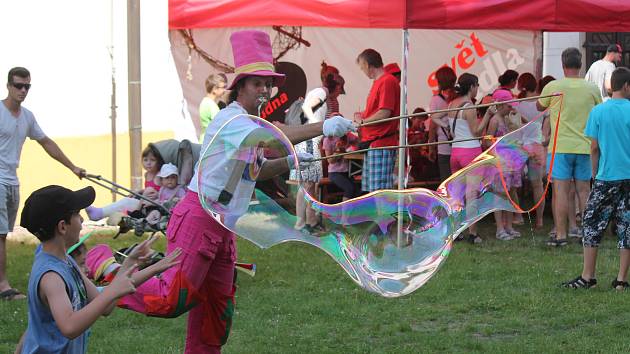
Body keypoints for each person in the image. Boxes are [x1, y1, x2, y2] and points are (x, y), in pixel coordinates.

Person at [114, 30, 355, 354]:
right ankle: (106, 273)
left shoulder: (250, 125)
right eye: (257, 84)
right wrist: (322, 127)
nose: (265, 91)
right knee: (173, 299)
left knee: (216, 316)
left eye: (267, 84)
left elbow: (255, 171)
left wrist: (292, 160)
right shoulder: (232, 121)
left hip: (223, 226)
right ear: (239, 87)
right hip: (199, 219)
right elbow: (273, 137)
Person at [15, 185, 181, 353]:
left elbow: (105, 305)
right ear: (63, 227)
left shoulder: (66, 261)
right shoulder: (51, 277)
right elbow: (70, 326)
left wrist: (130, 265)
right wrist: (113, 291)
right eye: (77, 214)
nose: (81, 220)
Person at [0, 67, 86, 301]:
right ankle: (3, 286)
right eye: (18, 85)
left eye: (27, 86)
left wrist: (73, 167)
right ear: (8, 86)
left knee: (3, 233)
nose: (23, 90)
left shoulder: (27, 116)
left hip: (11, 180)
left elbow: (46, 142)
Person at [562, 67, 630, 289]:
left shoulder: (599, 111)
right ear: (627, 86)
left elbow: (593, 148)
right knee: (626, 226)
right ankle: (621, 280)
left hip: (606, 176)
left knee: (591, 222)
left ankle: (588, 276)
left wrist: (594, 174)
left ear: (612, 87)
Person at [538, 48, 602, 247]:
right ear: (580, 64)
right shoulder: (591, 87)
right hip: (584, 147)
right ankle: (586, 235)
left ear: (563, 64)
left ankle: (561, 235)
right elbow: (598, 110)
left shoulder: (553, 86)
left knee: (561, 192)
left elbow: (540, 106)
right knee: (584, 191)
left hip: (560, 147)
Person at [291, 68, 345, 230]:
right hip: (308, 139)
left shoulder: (321, 94)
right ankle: (302, 223)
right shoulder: (321, 94)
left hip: (309, 139)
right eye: (340, 91)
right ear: (336, 87)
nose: (339, 95)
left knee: (311, 184)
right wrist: (321, 127)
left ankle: (310, 221)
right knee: (307, 184)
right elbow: (306, 113)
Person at [447, 73, 493, 244]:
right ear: (472, 86)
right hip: (470, 152)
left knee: (457, 194)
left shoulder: (451, 104)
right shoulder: (469, 107)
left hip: (455, 152)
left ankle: (457, 232)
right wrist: (487, 115)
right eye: (477, 86)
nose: (478, 89)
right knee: (472, 194)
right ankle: (473, 233)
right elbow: (477, 131)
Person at [353, 49, 400, 193]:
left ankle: (382, 217)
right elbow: (379, 111)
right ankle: (378, 216)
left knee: (378, 193)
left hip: (381, 143)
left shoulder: (386, 81)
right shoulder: (381, 81)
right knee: (373, 192)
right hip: (375, 143)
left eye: (362, 67)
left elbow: (385, 112)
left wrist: (364, 121)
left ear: (367, 64)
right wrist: (362, 116)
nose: (362, 70)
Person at [85, 146, 166, 222]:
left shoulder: (159, 176)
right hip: (144, 202)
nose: (148, 163)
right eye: (145, 160)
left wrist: (158, 195)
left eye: (152, 160)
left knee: (126, 202)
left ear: (158, 162)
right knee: (127, 199)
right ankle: (102, 213)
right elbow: (149, 188)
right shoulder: (147, 174)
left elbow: (166, 190)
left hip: (153, 206)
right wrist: (138, 192)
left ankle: (99, 214)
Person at [486, 90, 523, 240]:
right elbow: (487, 141)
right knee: (500, 195)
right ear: (500, 105)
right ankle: (500, 228)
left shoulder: (506, 119)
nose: (511, 109)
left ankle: (509, 226)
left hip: (510, 162)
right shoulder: (495, 120)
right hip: (500, 162)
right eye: (508, 106)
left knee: (509, 195)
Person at [515, 72, 547, 229]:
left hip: (520, 146)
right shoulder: (541, 104)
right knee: (537, 184)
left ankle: (518, 216)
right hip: (536, 145)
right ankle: (539, 220)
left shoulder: (518, 104)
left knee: (514, 184)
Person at [428, 66, 457, 182]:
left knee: (447, 184)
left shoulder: (436, 100)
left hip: (444, 147)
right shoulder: (458, 97)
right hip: (460, 145)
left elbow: (433, 126)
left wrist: (431, 148)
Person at [322, 132, 359, 201]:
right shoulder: (328, 140)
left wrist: (354, 143)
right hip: (334, 172)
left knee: (357, 190)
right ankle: (344, 211)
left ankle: (352, 210)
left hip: (347, 171)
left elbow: (357, 142)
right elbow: (330, 161)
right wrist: (337, 150)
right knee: (350, 189)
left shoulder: (346, 136)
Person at [199, 74, 228, 140]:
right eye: (223, 87)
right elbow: (221, 125)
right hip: (210, 142)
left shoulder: (205, 101)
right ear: (214, 89)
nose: (225, 90)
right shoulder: (211, 105)